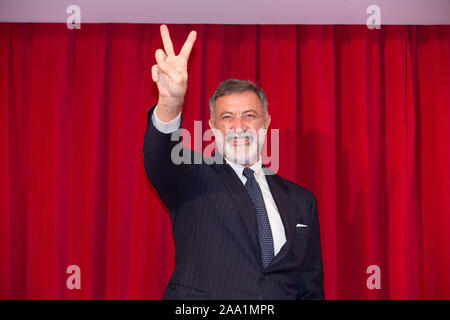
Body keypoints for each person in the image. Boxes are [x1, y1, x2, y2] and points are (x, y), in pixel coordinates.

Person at [143, 25, 324, 300]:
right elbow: (159, 158)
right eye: (227, 117)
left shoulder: (302, 201)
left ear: (266, 123)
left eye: (250, 115)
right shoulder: (192, 176)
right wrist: (171, 101)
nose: (239, 126)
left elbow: (310, 291)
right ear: (213, 128)